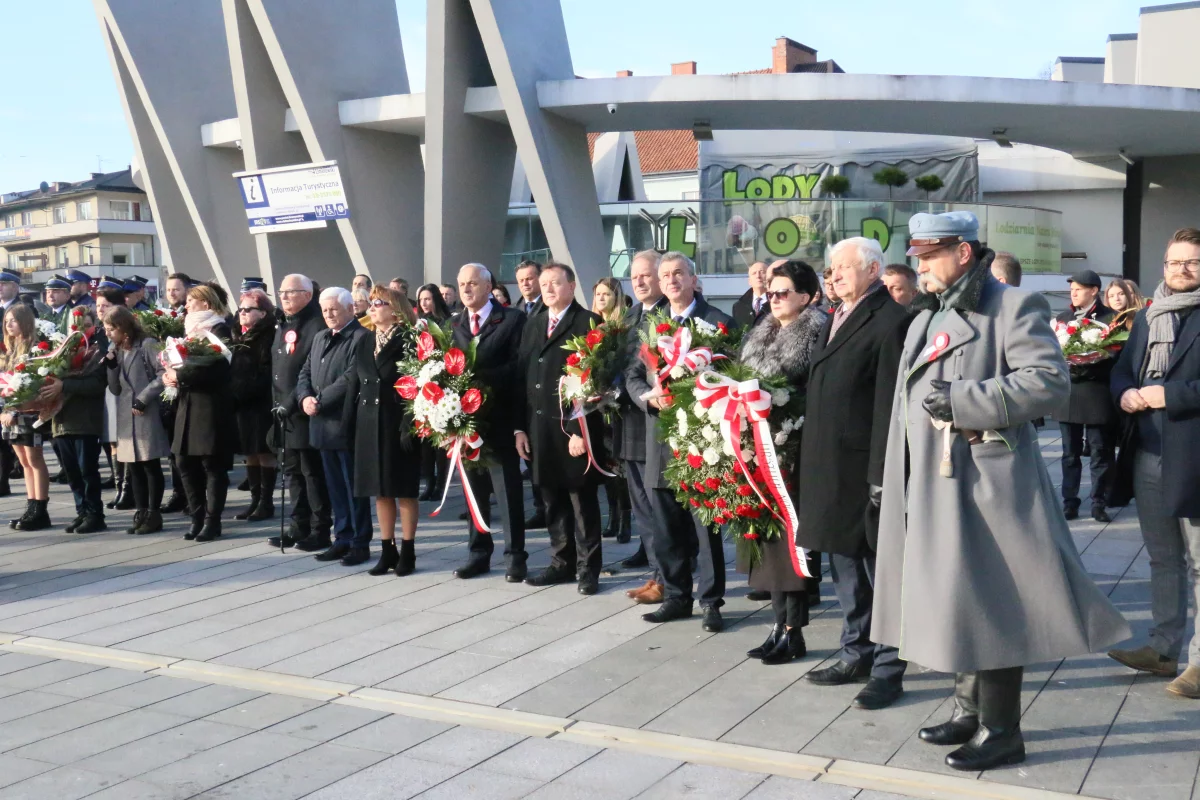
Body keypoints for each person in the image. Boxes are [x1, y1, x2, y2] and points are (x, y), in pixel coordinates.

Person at [873, 211, 1130, 769]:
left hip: (985, 483)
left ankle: (1002, 730)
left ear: (963, 253)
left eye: (930, 255)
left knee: (992, 601)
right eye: (916, 256)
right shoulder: (928, 315)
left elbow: (1048, 381)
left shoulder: (1013, 306)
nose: (921, 266)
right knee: (956, 598)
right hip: (933, 479)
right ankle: (968, 710)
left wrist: (967, 399)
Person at [796, 236, 910, 711]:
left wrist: (882, 475)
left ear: (873, 270)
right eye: (831, 269)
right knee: (845, 565)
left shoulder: (891, 320)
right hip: (832, 466)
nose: (834, 275)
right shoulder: (836, 317)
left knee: (879, 572)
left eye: (844, 268)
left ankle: (888, 667)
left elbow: (890, 404)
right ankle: (855, 650)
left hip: (866, 468)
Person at [1107, 227, 1200, 700]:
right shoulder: (1148, 315)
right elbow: (1124, 367)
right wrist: (1123, 391)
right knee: (1163, 557)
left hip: (1195, 458)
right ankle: (1164, 649)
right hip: (1147, 451)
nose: (1180, 271)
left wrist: (1173, 395)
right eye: (1172, 262)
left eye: (1191, 263)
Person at [625, 251, 734, 633]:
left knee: (705, 529)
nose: (670, 281)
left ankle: (711, 601)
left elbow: (732, 374)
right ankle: (676, 596)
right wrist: (647, 395)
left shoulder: (717, 322)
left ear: (693, 278)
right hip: (659, 442)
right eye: (665, 275)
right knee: (666, 527)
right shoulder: (652, 325)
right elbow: (633, 376)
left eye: (678, 274)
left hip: (702, 444)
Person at [739, 260, 827, 664]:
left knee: (792, 544)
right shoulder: (764, 330)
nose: (773, 299)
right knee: (768, 542)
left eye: (783, 293)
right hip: (762, 451)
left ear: (806, 297)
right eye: (771, 293)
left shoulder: (817, 333)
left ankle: (794, 631)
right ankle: (777, 624)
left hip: (795, 450)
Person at [515, 263, 607, 593]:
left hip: (573, 429)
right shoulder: (534, 323)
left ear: (571, 286)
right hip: (539, 428)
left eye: (556, 282)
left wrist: (583, 430)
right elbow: (523, 376)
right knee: (551, 499)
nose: (549, 288)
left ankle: (588, 568)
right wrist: (519, 429)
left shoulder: (587, 323)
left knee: (581, 501)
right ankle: (561, 562)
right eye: (545, 283)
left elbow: (596, 381)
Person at [449, 263, 528, 581]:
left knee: (507, 493)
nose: (466, 289)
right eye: (462, 284)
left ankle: (515, 556)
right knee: (474, 493)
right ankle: (478, 552)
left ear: (487, 286)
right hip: (466, 425)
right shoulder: (453, 322)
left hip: (500, 420)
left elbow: (518, 368)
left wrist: (477, 380)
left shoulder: (511, 320)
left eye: (473, 284)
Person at [297, 288, 372, 565]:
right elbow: (305, 370)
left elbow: (351, 377)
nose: (329, 314)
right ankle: (342, 538)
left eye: (334, 309)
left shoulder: (362, 337)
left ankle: (359, 542)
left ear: (351, 309)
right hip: (321, 425)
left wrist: (320, 400)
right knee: (335, 488)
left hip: (346, 424)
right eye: (325, 310)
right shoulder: (320, 337)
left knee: (354, 488)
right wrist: (304, 397)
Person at [356, 286, 420, 577]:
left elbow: (420, 384)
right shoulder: (365, 339)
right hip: (370, 420)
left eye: (378, 302)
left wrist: (412, 423)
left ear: (394, 308)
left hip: (398, 420)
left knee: (403, 489)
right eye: (371, 302)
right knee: (380, 491)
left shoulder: (410, 339)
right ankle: (387, 549)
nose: (372, 307)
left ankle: (408, 550)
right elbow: (355, 383)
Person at [164, 283, 235, 542]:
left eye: (192, 300)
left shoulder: (219, 328)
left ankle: (212, 521)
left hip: (210, 405)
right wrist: (171, 374)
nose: (187, 305)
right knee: (183, 461)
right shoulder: (190, 330)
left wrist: (179, 374)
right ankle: (196, 516)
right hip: (187, 403)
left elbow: (215, 368)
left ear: (206, 304)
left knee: (211, 464)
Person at [618, 251, 668, 601]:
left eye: (645, 275)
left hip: (658, 425)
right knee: (642, 507)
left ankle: (665, 578)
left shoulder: (670, 315)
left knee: (660, 506)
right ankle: (655, 574)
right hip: (630, 423)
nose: (639, 282)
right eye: (634, 276)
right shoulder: (630, 316)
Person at [270, 274, 332, 550]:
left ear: (307, 295)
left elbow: (308, 372)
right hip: (284, 414)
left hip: (304, 411)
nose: (284, 296)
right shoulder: (285, 323)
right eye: (282, 292)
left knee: (312, 474)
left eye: (290, 292)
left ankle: (319, 530)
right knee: (292, 472)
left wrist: (293, 401)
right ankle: (298, 526)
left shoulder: (316, 324)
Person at [102, 305, 171, 535]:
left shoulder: (147, 344)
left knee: (150, 464)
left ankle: (153, 513)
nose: (108, 333)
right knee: (133, 467)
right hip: (125, 415)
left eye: (111, 329)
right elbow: (114, 388)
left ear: (123, 327)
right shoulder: (118, 349)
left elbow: (164, 373)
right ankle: (140, 511)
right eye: (106, 329)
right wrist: (111, 367)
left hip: (145, 412)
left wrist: (144, 398)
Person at [1055, 269, 1117, 522]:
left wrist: (1090, 366)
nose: (1074, 292)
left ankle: (1099, 501)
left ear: (1093, 290)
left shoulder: (1110, 318)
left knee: (1099, 451)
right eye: (1071, 289)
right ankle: (1070, 501)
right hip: (1069, 392)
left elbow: (1116, 353)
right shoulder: (1063, 318)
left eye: (1079, 288)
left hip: (1096, 392)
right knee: (1070, 453)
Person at [44, 304, 109, 533]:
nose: (81, 329)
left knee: (87, 470)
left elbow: (98, 384)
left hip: (85, 420)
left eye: (87, 325)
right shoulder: (60, 348)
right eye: (76, 325)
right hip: (61, 419)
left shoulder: (99, 351)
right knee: (71, 471)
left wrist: (64, 384)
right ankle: (82, 511)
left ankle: (95, 514)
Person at [1, 304, 51, 530]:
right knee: (23, 461)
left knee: (35, 460)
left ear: (25, 322)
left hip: (29, 412)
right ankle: (31, 506)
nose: (8, 325)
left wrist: (13, 409)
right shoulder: (11, 350)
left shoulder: (33, 350)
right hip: (12, 414)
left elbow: (32, 386)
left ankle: (40, 509)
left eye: (13, 320)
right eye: (6, 321)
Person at [230, 288, 278, 521]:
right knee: (249, 452)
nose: (243, 313)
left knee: (264, 451)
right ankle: (254, 500)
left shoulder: (268, 335)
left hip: (261, 402)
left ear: (263, 312)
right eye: (241, 309)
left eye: (249, 309)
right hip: (242, 402)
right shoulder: (239, 334)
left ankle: (266, 502)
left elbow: (266, 371)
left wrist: (245, 390)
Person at [589, 276, 631, 543]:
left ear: (617, 296)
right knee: (605, 467)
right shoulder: (592, 326)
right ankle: (612, 515)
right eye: (598, 294)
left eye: (606, 294)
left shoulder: (623, 327)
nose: (602, 298)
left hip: (617, 406)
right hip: (597, 407)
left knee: (621, 468)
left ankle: (625, 519)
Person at [413, 283, 452, 501]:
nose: (424, 304)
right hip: (423, 382)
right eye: (421, 300)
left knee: (440, 437)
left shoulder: (446, 322)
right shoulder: (419, 324)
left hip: (442, 381)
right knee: (426, 438)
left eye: (427, 299)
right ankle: (429, 482)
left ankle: (441, 483)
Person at [732, 260, 770, 327]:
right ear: (749, 281)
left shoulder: (778, 302)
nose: (758, 276)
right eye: (754, 273)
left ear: (769, 278)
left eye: (762, 272)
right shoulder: (738, 307)